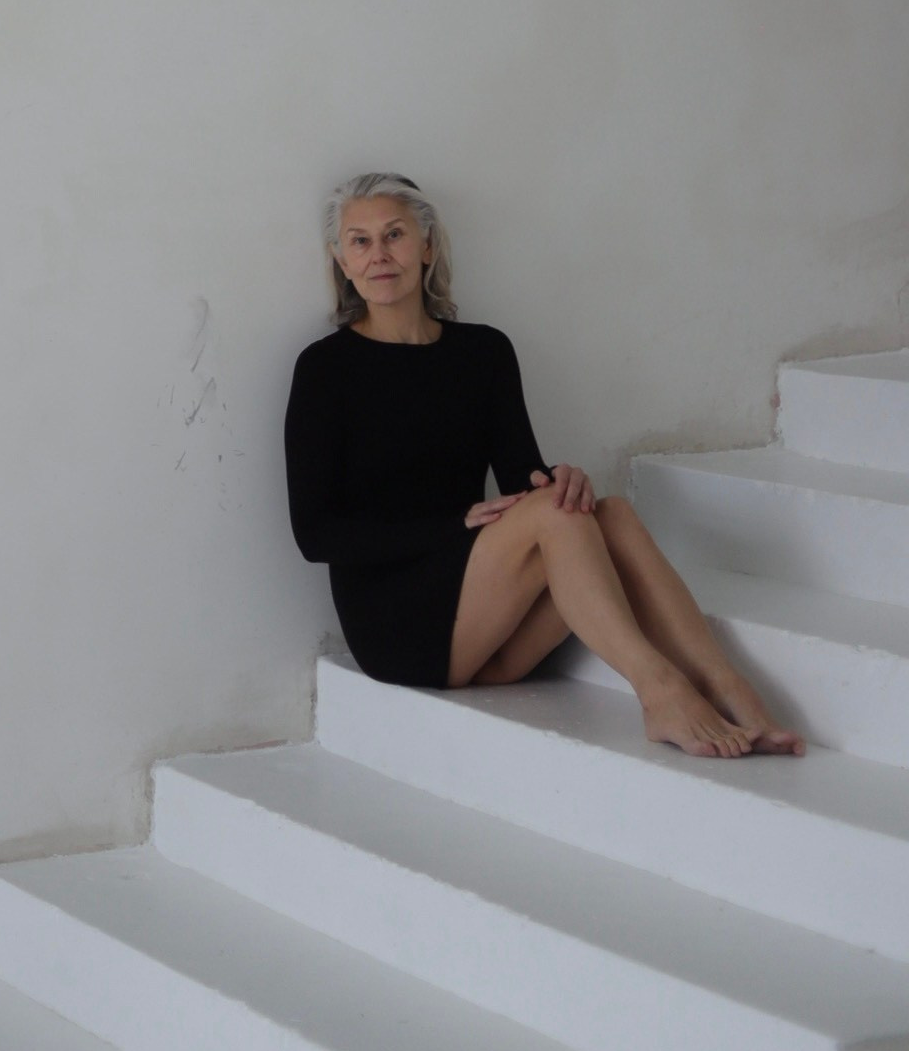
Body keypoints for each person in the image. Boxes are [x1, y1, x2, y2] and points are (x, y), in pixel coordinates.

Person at [284, 171, 804, 759]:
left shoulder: (483, 352)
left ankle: (727, 684)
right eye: (360, 241)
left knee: (607, 512)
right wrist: (454, 526)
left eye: (395, 235)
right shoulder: (325, 370)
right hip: (397, 625)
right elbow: (314, 535)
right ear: (342, 261)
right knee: (557, 515)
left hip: (490, 631)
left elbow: (521, 481)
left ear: (427, 247)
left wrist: (558, 481)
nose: (379, 254)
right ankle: (659, 689)